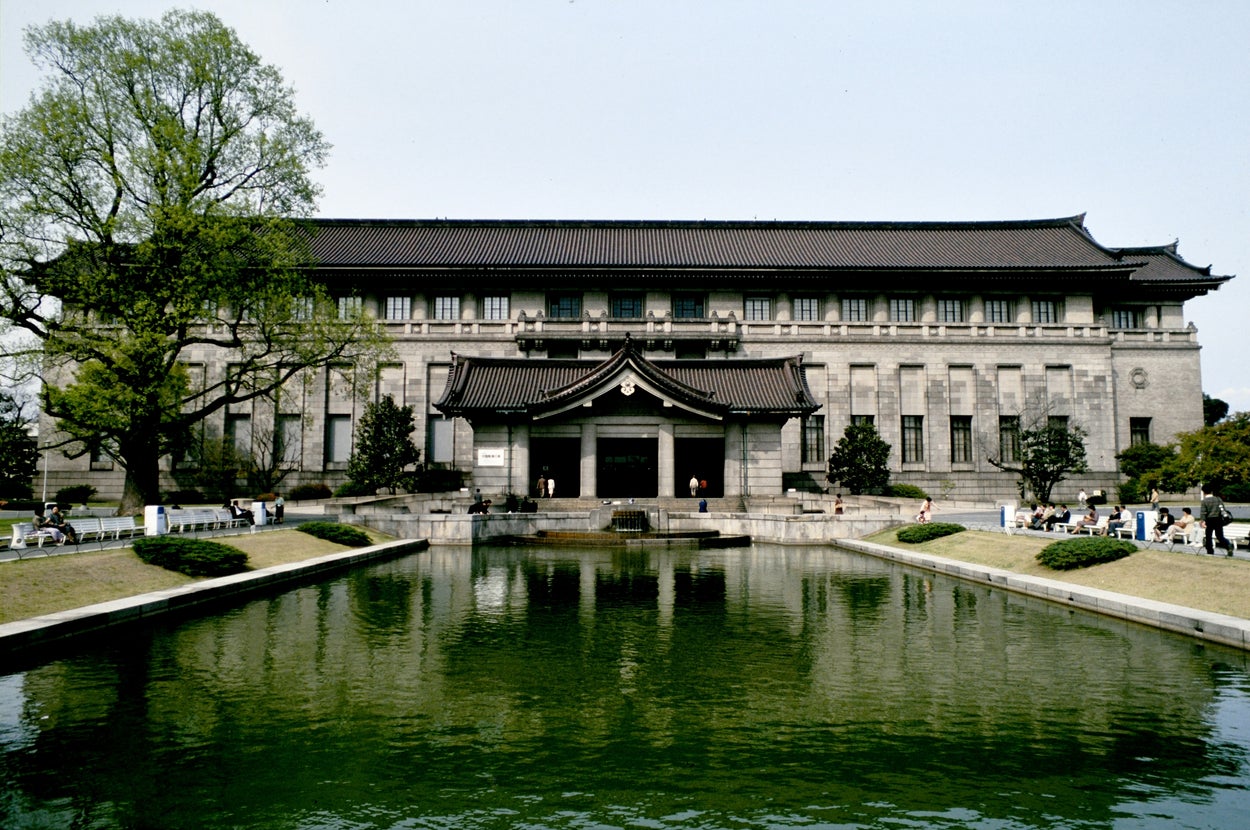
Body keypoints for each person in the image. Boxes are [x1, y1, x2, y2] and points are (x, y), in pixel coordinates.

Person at [1200, 488, 1232, 555]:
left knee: (1208, 536)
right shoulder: (1218, 499)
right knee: (1220, 536)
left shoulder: (1204, 501)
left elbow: (1203, 512)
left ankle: (1210, 551)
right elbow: (1223, 509)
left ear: (1203, 492)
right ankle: (1227, 545)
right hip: (1218, 519)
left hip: (1209, 520)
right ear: (1211, 491)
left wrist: (1202, 521)